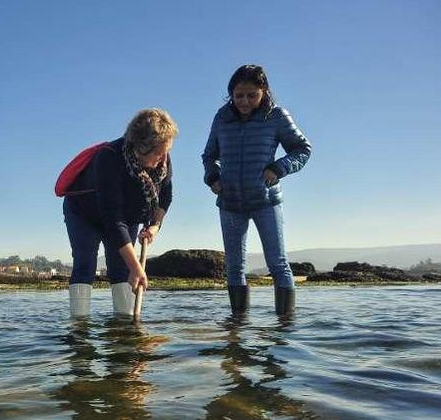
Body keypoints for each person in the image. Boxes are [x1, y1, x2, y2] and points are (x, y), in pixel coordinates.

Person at [202, 65, 311, 315]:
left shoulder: (276, 116)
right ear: (231, 94)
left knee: (278, 263)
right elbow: (209, 155)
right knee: (234, 267)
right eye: (239, 95)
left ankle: (284, 328)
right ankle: (237, 328)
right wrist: (213, 177)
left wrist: (279, 168)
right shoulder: (221, 118)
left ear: (264, 92)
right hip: (230, 203)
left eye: (252, 95)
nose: (244, 101)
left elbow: (303, 149)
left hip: (266, 201)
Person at [62, 108, 177, 318]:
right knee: (85, 263)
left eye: (166, 151)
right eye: (158, 154)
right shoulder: (109, 158)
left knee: (122, 269)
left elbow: (166, 197)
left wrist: (154, 226)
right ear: (140, 148)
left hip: (126, 216)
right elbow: (113, 218)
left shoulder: (163, 159)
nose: (163, 159)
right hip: (84, 213)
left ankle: (124, 326)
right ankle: (79, 327)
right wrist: (137, 267)